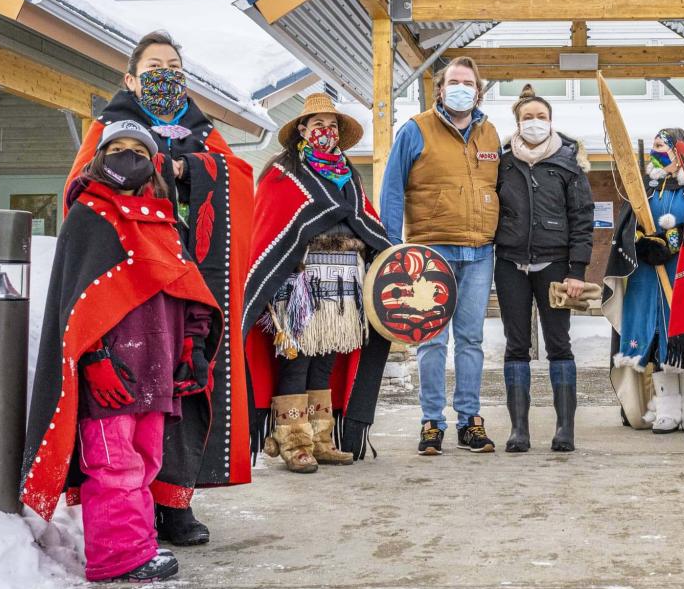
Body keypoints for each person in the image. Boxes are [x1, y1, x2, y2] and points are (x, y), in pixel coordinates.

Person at [67, 31, 255, 547]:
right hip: (131, 284)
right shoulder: (109, 128)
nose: (165, 72)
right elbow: (78, 190)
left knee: (185, 386)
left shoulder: (200, 130)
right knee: (134, 391)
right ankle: (130, 504)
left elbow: (240, 179)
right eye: (154, 66)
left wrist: (190, 167)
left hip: (188, 277)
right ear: (131, 78)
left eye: (174, 65)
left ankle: (177, 503)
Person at [22, 120, 221, 582]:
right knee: (114, 464)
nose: (127, 156)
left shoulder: (164, 221)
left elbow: (186, 289)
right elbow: (75, 305)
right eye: (117, 147)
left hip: (157, 369)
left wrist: (191, 345)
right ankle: (120, 557)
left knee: (147, 462)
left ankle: (138, 545)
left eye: (137, 149)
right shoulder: (87, 217)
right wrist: (93, 361)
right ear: (99, 156)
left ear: (153, 162)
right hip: (110, 374)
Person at [242, 93, 393, 472]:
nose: (325, 132)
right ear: (303, 131)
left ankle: (321, 438)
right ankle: (294, 442)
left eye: (332, 126)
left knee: (326, 362)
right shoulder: (284, 173)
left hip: (343, 283)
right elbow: (271, 228)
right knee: (297, 361)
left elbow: (366, 221)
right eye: (318, 125)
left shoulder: (348, 177)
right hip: (299, 284)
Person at [380, 57, 500, 456]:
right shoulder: (415, 130)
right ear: (441, 89)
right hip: (430, 252)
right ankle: (432, 421)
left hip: (480, 250)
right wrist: (389, 247)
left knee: (471, 339)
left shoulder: (490, 134)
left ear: (478, 91)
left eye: (468, 81)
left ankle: (469, 421)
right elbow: (393, 189)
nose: (461, 87)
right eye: (454, 81)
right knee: (431, 339)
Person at [494, 86, 596, 453]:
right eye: (527, 117)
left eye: (541, 117)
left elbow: (583, 219)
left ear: (551, 121)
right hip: (509, 263)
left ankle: (565, 429)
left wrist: (577, 271)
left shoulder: (570, 161)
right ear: (517, 123)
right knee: (516, 345)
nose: (534, 123)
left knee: (559, 344)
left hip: (555, 266)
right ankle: (519, 430)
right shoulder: (502, 161)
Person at [611, 128, 684, 433]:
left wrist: (673, 240)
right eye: (653, 145)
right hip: (647, 274)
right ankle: (666, 408)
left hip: (683, 271)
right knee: (654, 337)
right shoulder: (645, 188)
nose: (657, 150)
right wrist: (641, 242)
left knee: (682, 333)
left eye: (663, 146)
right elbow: (631, 223)